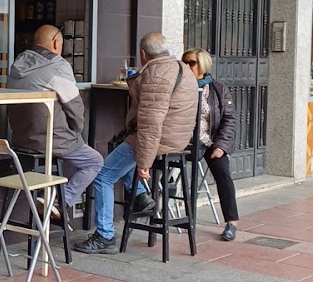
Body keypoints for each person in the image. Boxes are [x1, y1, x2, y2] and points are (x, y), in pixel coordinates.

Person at [76, 31, 199, 254]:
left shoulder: (156, 75)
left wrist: (144, 162)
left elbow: (151, 124)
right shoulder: (184, 69)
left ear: (143, 54)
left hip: (160, 140)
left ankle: (104, 236)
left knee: (103, 175)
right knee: (119, 155)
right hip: (178, 140)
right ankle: (141, 195)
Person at [6, 25, 103, 220]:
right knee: (94, 161)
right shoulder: (58, 66)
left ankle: (51, 201)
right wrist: (76, 132)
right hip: (51, 141)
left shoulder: (17, 63)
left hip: (19, 141)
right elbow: (75, 110)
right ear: (56, 42)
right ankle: (59, 201)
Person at [183, 47, 240, 241]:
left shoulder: (218, 89)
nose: (186, 66)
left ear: (203, 65)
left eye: (191, 63)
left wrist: (221, 146)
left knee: (223, 174)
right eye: (184, 62)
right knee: (172, 171)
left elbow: (229, 119)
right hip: (188, 142)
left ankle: (231, 223)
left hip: (211, 142)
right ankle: (170, 212)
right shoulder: (180, 87)